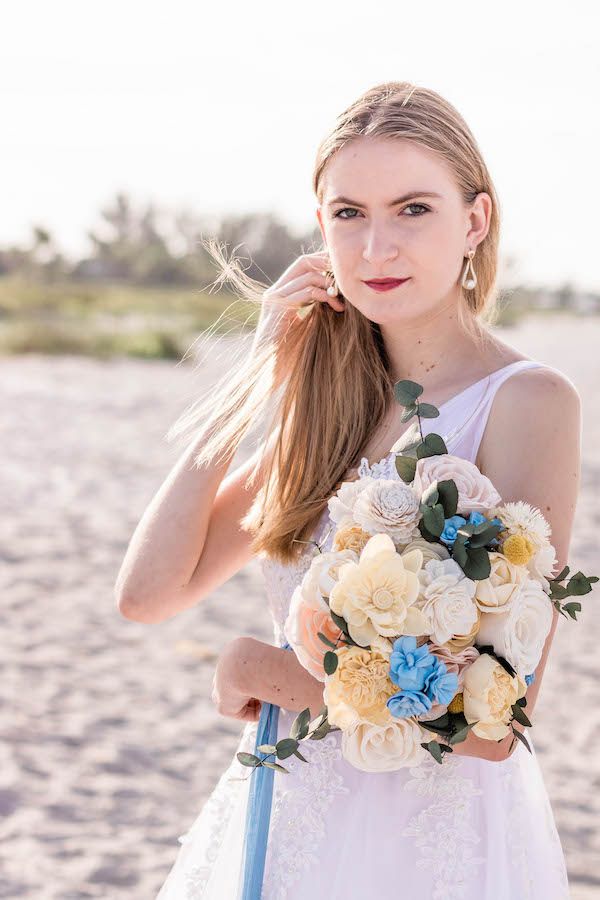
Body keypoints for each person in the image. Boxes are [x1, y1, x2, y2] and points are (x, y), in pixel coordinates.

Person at [115, 81, 580, 898]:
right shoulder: (327, 409)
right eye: (348, 214)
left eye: (412, 209)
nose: (375, 250)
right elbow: (148, 592)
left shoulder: (529, 403)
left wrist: (271, 671)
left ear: (475, 221)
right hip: (283, 823)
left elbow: (497, 718)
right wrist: (259, 374)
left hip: (430, 848)